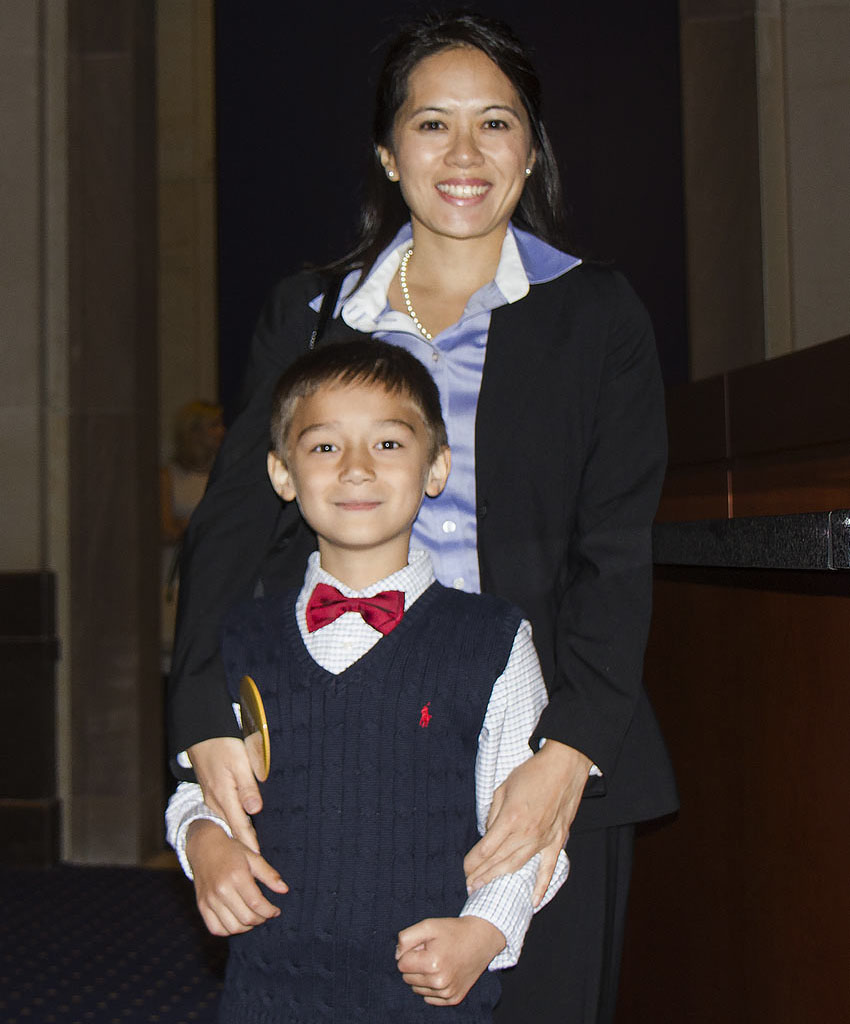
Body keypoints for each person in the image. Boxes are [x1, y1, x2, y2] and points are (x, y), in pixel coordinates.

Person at [167, 12, 678, 1022]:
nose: (463, 153)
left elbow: (616, 554)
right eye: (431, 123)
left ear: (529, 151)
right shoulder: (313, 314)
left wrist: (563, 753)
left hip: (536, 742)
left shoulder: (596, 314)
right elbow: (230, 529)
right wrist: (202, 718)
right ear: (387, 153)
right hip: (333, 744)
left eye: (495, 123)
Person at [167, 340, 569, 1021]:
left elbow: (524, 831)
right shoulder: (237, 639)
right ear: (282, 472)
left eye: (388, 443)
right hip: (268, 988)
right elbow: (196, 787)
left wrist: (484, 934)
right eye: (324, 448)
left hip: (427, 994)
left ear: (437, 467)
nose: (355, 469)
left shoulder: (494, 640)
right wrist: (201, 841)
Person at [160, 400, 225, 668]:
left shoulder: (223, 476)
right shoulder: (169, 476)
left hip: (215, 570)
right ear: (193, 432)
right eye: (213, 426)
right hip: (177, 572)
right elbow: (166, 530)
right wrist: (197, 524)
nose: (222, 431)